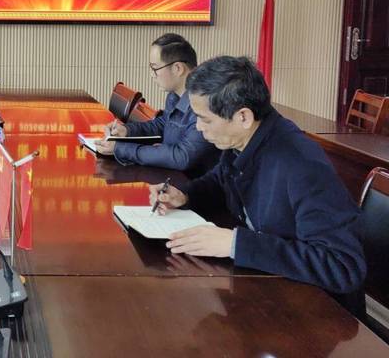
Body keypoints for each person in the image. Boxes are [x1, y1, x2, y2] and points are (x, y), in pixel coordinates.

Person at [148, 56, 366, 313]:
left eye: (205, 119)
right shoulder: (244, 140)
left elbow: (342, 266)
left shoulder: (301, 165)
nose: (198, 127)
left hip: (319, 312)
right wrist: (184, 195)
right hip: (271, 289)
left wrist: (235, 244)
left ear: (243, 117)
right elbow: (221, 180)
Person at [96, 33, 219, 175]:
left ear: (178, 68)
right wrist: (127, 130)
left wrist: (121, 149)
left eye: (155, 68)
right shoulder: (174, 96)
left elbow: (182, 157)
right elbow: (162, 124)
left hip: (193, 183)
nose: (152, 75)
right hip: (169, 176)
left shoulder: (203, 104)